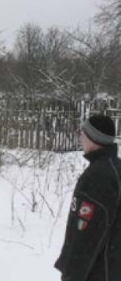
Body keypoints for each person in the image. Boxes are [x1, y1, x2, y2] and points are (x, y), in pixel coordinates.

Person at [55, 114, 121, 281]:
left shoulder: (98, 176)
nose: (80, 138)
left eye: (82, 134)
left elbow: (88, 233)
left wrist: (72, 275)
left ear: (94, 138)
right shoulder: (115, 168)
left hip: (99, 271)